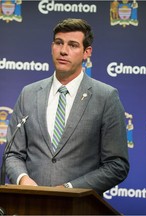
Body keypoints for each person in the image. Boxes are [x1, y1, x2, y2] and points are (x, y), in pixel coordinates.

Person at [5, 18, 129, 195]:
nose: (63, 51)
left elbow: (117, 165)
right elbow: (13, 154)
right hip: (30, 205)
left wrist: (69, 189)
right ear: (51, 46)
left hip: (79, 207)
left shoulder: (106, 97)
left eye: (73, 45)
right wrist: (23, 179)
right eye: (59, 43)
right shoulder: (29, 93)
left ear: (87, 52)